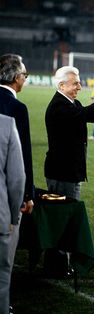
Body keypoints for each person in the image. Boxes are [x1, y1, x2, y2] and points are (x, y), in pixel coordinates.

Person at [44, 66, 94, 277]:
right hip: (63, 173)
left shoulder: (71, 103)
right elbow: (85, 113)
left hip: (69, 172)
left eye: (79, 82)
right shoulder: (59, 107)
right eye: (75, 83)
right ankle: (57, 266)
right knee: (63, 220)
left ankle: (57, 264)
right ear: (62, 85)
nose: (80, 86)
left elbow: (90, 115)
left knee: (64, 219)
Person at [0, 54, 34, 214]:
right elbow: (22, 153)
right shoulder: (17, 107)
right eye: (25, 75)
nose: (25, 79)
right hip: (5, 191)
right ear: (16, 77)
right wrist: (27, 194)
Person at [0, 114, 25, 314]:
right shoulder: (6, 124)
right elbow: (17, 180)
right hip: (1, 219)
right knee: (1, 279)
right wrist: (13, 216)